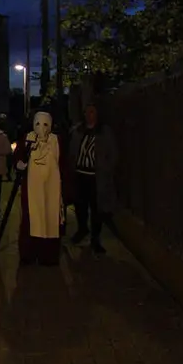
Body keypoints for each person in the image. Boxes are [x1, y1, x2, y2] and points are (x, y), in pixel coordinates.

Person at [14, 111, 68, 265]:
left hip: (52, 190)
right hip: (32, 190)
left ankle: (48, 256)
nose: (41, 128)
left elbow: (64, 164)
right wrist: (19, 162)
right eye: (38, 123)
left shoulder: (56, 141)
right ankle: (29, 255)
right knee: (32, 221)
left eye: (45, 124)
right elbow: (18, 154)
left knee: (50, 221)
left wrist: (66, 189)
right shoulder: (28, 139)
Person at [68, 102, 117, 255]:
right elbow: (72, 151)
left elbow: (113, 153)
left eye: (92, 112)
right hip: (80, 175)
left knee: (97, 208)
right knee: (80, 205)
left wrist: (106, 168)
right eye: (87, 112)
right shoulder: (78, 131)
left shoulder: (104, 132)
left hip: (96, 177)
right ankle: (82, 229)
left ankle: (96, 239)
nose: (89, 115)